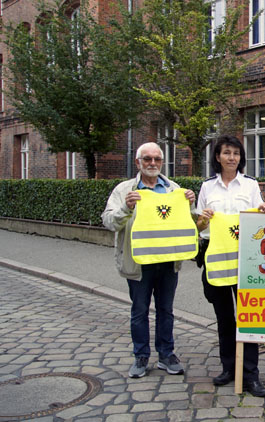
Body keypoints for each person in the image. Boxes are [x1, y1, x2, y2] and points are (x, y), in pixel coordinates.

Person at [102, 142, 196, 379]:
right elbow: (109, 221)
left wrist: (191, 205)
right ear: (138, 162)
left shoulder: (174, 189)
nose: (152, 163)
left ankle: (166, 354)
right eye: (147, 159)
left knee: (166, 310)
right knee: (139, 310)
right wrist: (126, 207)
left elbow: (190, 222)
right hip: (139, 262)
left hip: (168, 261)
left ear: (162, 162)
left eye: (157, 159)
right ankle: (141, 356)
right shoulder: (125, 190)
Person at [196, 134, 265, 397]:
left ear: (241, 158)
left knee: (249, 317)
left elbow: (261, 221)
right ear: (218, 157)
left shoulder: (250, 185)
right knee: (224, 318)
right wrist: (202, 220)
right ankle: (229, 367)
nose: (232, 158)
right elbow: (199, 228)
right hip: (216, 258)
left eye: (236, 154)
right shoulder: (207, 188)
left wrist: (264, 211)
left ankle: (251, 374)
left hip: (246, 260)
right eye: (227, 153)